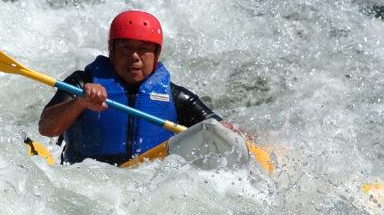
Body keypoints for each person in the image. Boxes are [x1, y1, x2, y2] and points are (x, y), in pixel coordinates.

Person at [38, 10, 240, 165]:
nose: (134, 56)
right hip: (85, 179)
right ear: (111, 51)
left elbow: (220, 134)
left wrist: (237, 134)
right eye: (126, 48)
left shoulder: (175, 97)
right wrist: (80, 102)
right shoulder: (82, 84)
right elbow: (47, 128)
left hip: (145, 184)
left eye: (143, 50)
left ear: (156, 55)